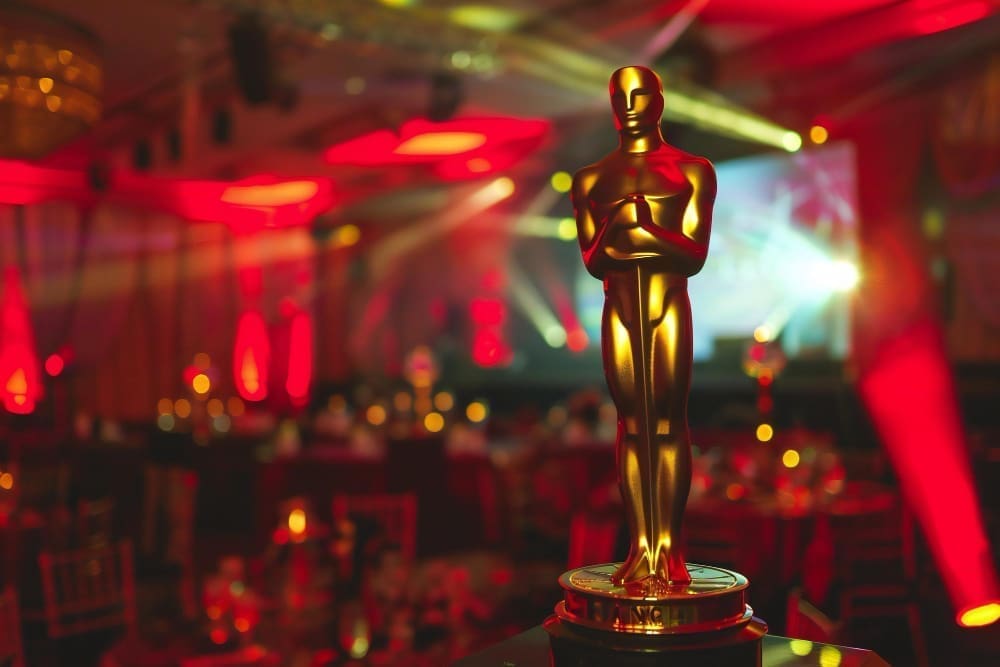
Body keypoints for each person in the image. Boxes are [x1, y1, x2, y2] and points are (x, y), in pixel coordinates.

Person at [571, 65, 716, 592]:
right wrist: (624, 230)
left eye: (640, 93)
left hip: (668, 306)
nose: (629, 104)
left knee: (669, 423)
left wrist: (640, 229)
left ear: (659, 99)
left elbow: (693, 255)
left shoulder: (692, 170)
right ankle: (640, 548)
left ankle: (670, 551)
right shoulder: (590, 179)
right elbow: (593, 259)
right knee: (631, 425)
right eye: (619, 96)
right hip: (621, 310)